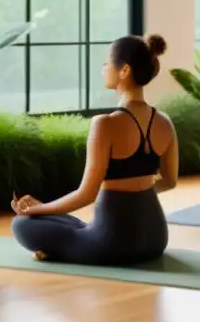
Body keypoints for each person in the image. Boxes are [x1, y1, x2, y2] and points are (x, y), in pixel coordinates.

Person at [11, 34, 178, 265]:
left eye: (108, 62)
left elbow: (86, 194)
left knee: (21, 224)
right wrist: (44, 208)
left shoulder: (105, 124)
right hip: (156, 238)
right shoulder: (164, 122)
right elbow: (170, 181)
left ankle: (60, 249)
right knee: (71, 223)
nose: (103, 67)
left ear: (124, 70)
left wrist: (33, 212)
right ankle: (58, 228)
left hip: (113, 244)